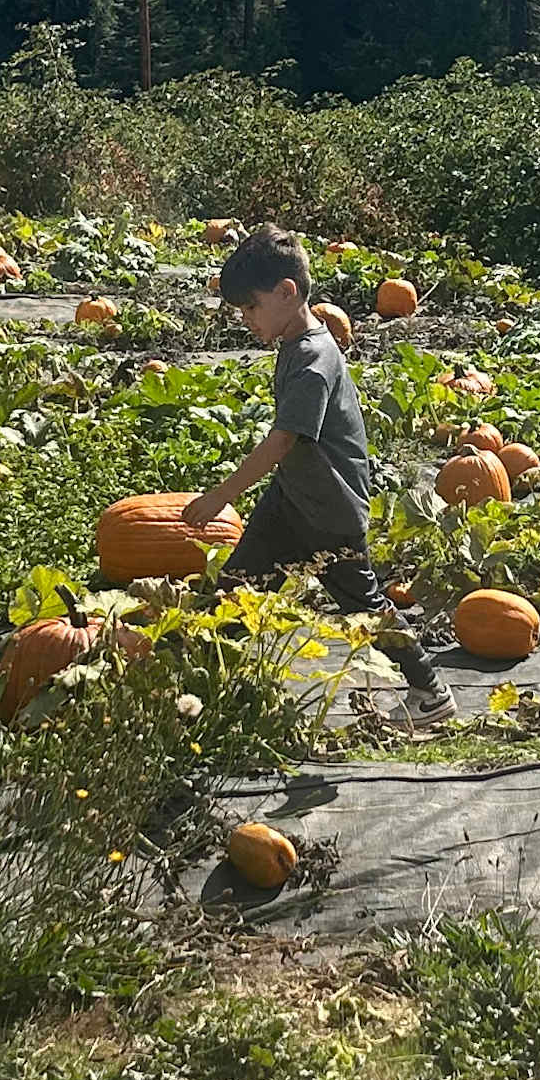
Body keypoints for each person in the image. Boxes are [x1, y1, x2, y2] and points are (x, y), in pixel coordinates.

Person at [184, 225, 450, 714]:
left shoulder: (311, 360)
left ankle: (430, 691)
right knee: (236, 589)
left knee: (365, 609)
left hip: (328, 512)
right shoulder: (296, 343)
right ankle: (203, 689)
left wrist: (221, 496)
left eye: (250, 307)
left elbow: (283, 440)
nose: (245, 320)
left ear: (287, 293)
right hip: (292, 501)